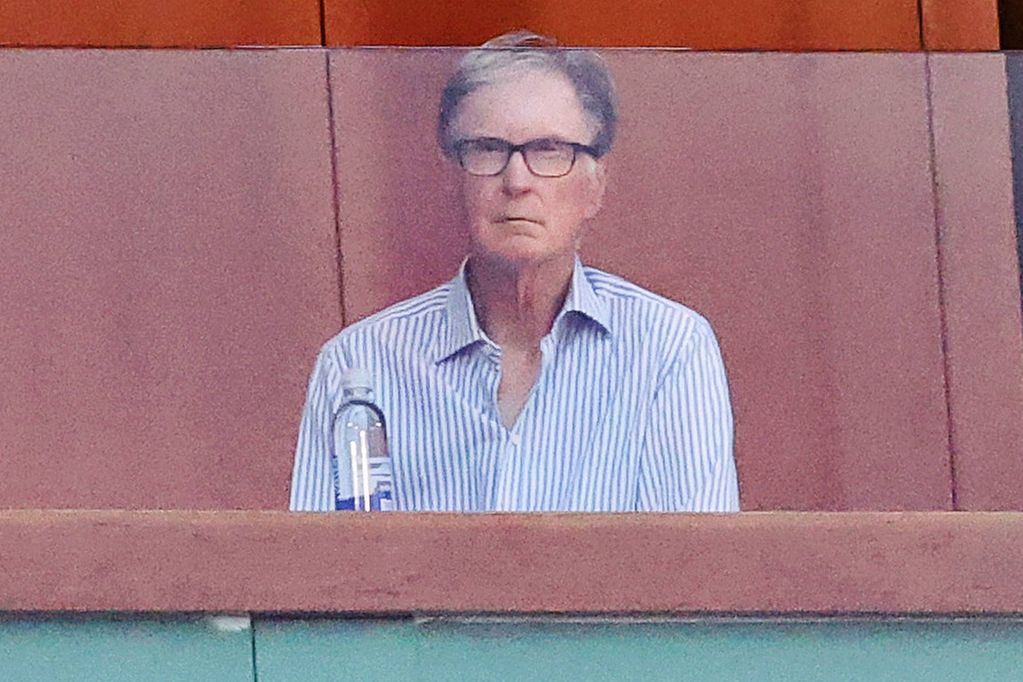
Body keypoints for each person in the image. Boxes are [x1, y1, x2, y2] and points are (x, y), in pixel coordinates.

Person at [290, 31, 739, 512]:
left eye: (549, 150)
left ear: (595, 186)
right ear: (453, 178)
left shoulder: (667, 347)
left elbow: (697, 575)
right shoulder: (361, 364)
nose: (517, 181)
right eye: (487, 149)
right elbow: (324, 578)